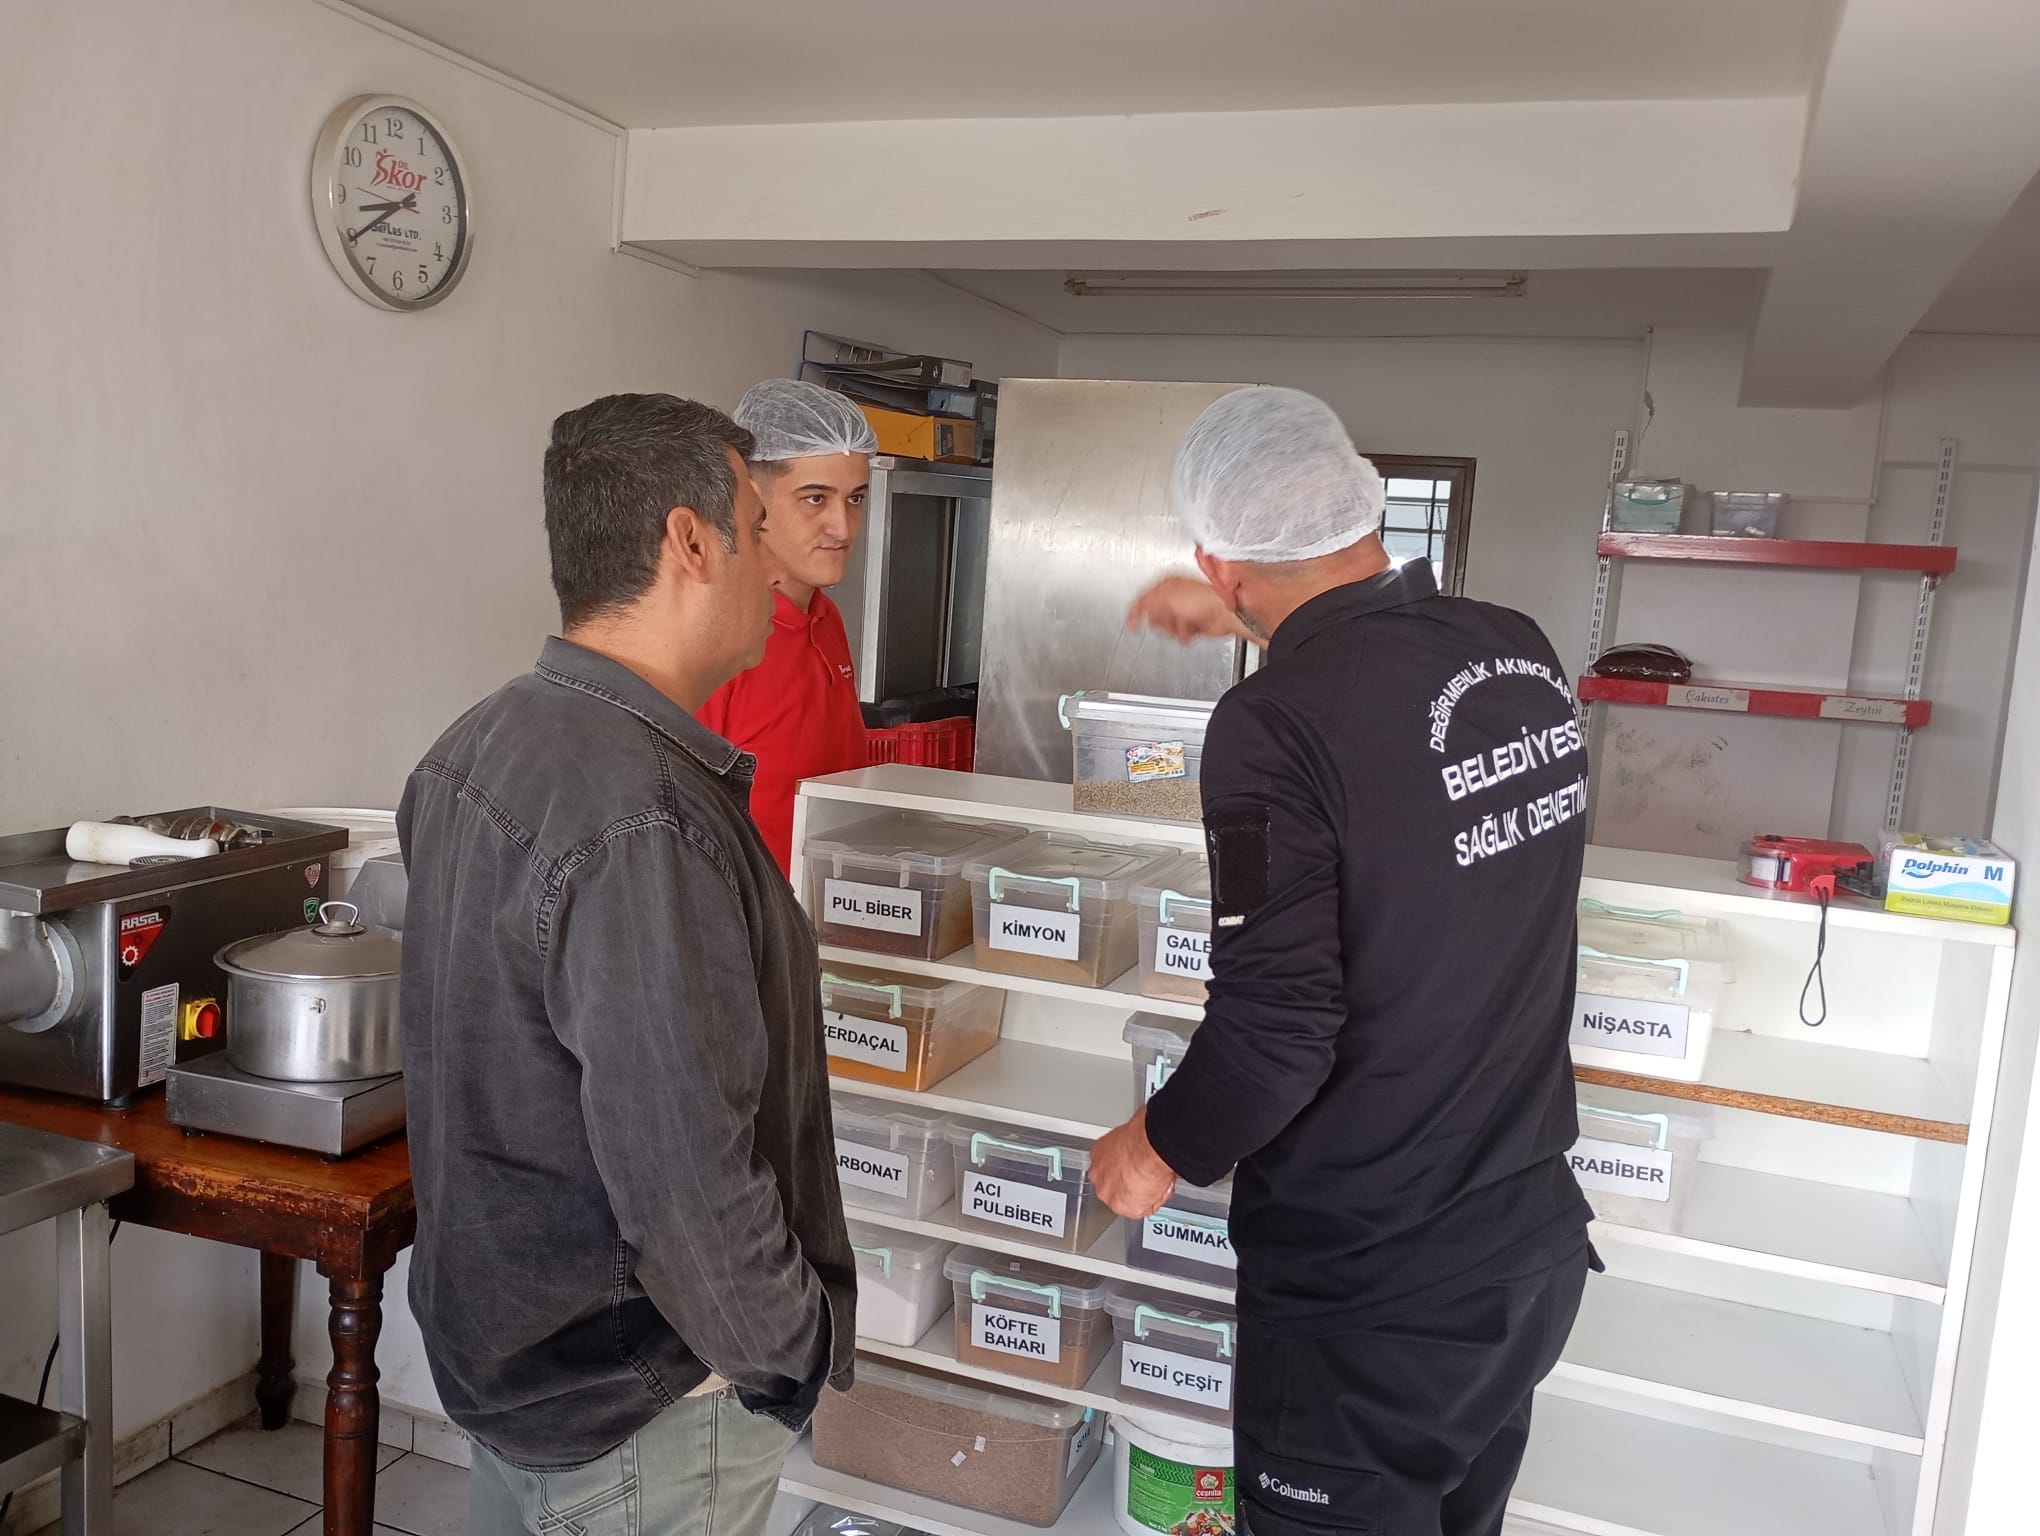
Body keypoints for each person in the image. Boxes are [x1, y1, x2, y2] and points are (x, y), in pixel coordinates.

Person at [1088, 387, 1594, 1536]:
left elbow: (1276, 1034)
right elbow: (1396, 754)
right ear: (1360, 501)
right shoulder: (1516, 651)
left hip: (1371, 1288)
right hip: (1522, 1247)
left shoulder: (1271, 720)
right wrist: (1259, 615)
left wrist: (1155, 1146)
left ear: (1216, 563)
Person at [397, 393, 853, 1536]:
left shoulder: (475, 744)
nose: (777, 566)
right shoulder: (647, 816)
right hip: (646, 1413)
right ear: (689, 542)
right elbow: (687, 1175)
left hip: (516, 1377)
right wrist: (786, 1355)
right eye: (759, 527)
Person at [698, 380, 876, 874]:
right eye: (815, 498)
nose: (843, 527)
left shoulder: (826, 617)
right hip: (748, 915)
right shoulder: (716, 635)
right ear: (752, 497)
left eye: (856, 499)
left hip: (830, 907)